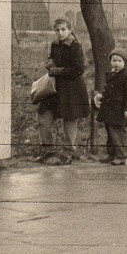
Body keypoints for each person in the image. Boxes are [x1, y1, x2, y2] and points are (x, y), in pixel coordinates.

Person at [35, 17, 90, 164]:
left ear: (70, 30)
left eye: (63, 29)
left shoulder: (76, 46)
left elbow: (78, 69)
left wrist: (58, 71)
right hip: (54, 88)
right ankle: (48, 151)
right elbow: (51, 58)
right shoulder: (55, 44)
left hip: (72, 89)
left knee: (70, 121)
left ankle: (69, 153)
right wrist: (49, 63)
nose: (60, 33)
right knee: (43, 117)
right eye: (57, 30)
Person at [94, 49, 127, 166]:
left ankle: (121, 156)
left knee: (118, 132)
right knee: (110, 132)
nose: (116, 63)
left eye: (119, 61)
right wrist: (101, 96)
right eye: (114, 60)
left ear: (124, 63)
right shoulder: (111, 75)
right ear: (110, 62)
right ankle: (112, 154)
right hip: (109, 109)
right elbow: (108, 90)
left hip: (119, 109)